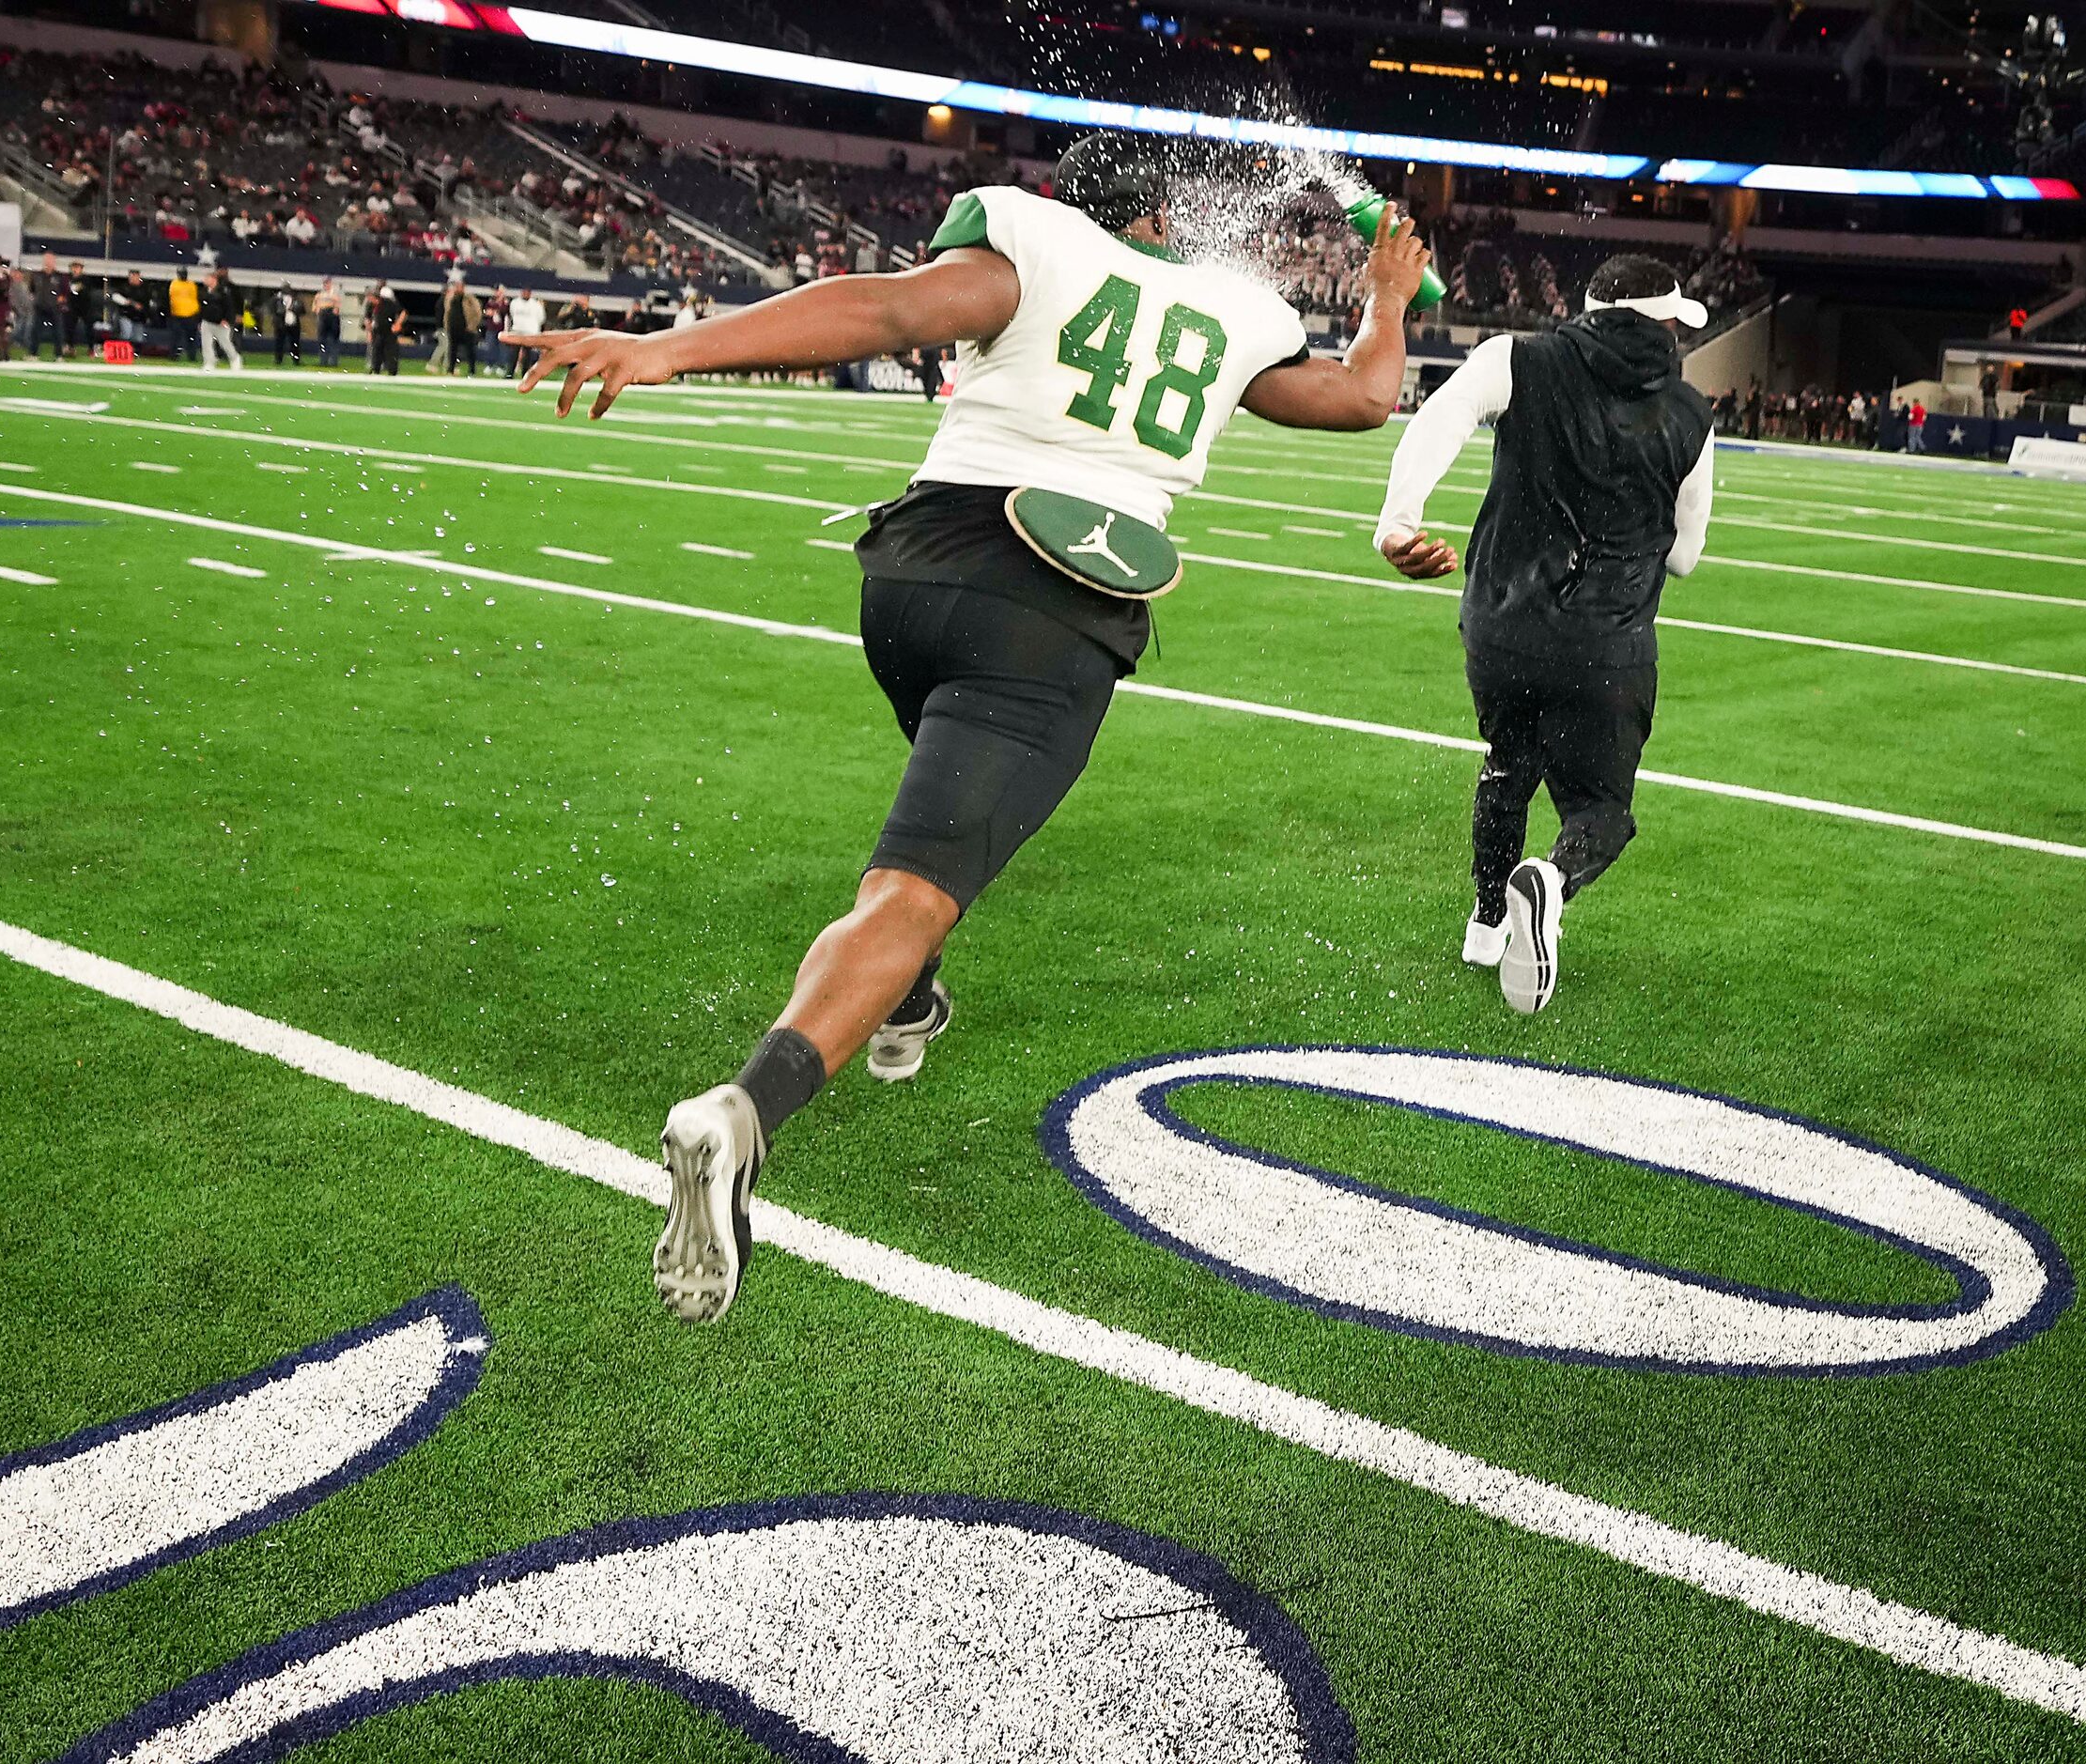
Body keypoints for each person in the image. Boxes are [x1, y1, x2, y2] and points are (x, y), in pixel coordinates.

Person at [504, 133, 1429, 1323]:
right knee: (915, 887)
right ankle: (743, 1114)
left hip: (915, 577)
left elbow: (887, 310)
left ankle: (908, 993)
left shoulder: (1031, 241)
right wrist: (1388, 301)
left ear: (1064, 202)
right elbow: (1361, 396)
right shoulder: (1226, 305)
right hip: (1054, 601)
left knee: (937, 825)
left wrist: (669, 348)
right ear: (1159, 210)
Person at [1371, 254, 1714, 1015]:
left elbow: (1437, 418)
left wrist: (1396, 522)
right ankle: (1551, 881)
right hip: (1608, 640)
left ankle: (1486, 922)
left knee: (1506, 762)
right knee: (1600, 812)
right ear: (1663, 324)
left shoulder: (1516, 358)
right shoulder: (1691, 413)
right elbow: (1685, 557)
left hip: (1502, 624)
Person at [198, 267, 244, 370]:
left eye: (207, 278)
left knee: (225, 343)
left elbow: (229, 307)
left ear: (214, 279)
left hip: (220, 322)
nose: (205, 280)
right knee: (206, 343)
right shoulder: (204, 291)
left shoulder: (223, 292)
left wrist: (227, 319)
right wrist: (200, 320)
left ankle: (235, 358)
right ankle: (209, 362)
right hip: (207, 321)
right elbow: (202, 308)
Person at [437, 271, 479, 375]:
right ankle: (450, 369)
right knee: (452, 350)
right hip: (453, 328)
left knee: (470, 351)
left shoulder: (469, 298)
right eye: (456, 286)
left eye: (459, 286)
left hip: (467, 328)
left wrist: (472, 326)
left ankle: (472, 370)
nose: (457, 288)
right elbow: (447, 313)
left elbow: (477, 312)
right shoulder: (450, 298)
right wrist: (447, 326)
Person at [364, 280, 405, 375]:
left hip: (389, 331)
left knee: (391, 351)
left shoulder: (388, 303)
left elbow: (402, 312)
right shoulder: (370, 305)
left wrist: (398, 324)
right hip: (377, 331)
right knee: (376, 351)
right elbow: (368, 319)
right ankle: (375, 369)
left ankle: (392, 371)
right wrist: (369, 332)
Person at [506, 286, 547, 375]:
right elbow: (512, 314)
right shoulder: (515, 302)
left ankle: (525, 373)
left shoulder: (536, 304)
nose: (525, 294)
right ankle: (510, 373)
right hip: (517, 331)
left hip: (530, 332)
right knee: (514, 353)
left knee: (528, 354)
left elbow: (541, 318)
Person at [270, 281, 304, 367]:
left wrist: (294, 309)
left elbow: (302, 310)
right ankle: (278, 359)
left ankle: (296, 360)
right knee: (279, 342)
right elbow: (272, 309)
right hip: (281, 324)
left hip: (293, 324)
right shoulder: (277, 298)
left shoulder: (296, 298)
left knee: (295, 343)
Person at [312, 279, 342, 369]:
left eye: (327, 284)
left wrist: (335, 310)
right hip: (322, 315)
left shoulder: (334, 294)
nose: (326, 286)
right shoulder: (319, 295)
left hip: (331, 315)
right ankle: (323, 360)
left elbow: (338, 304)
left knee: (333, 339)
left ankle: (333, 361)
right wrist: (317, 310)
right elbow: (314, 305)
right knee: (322, 339)